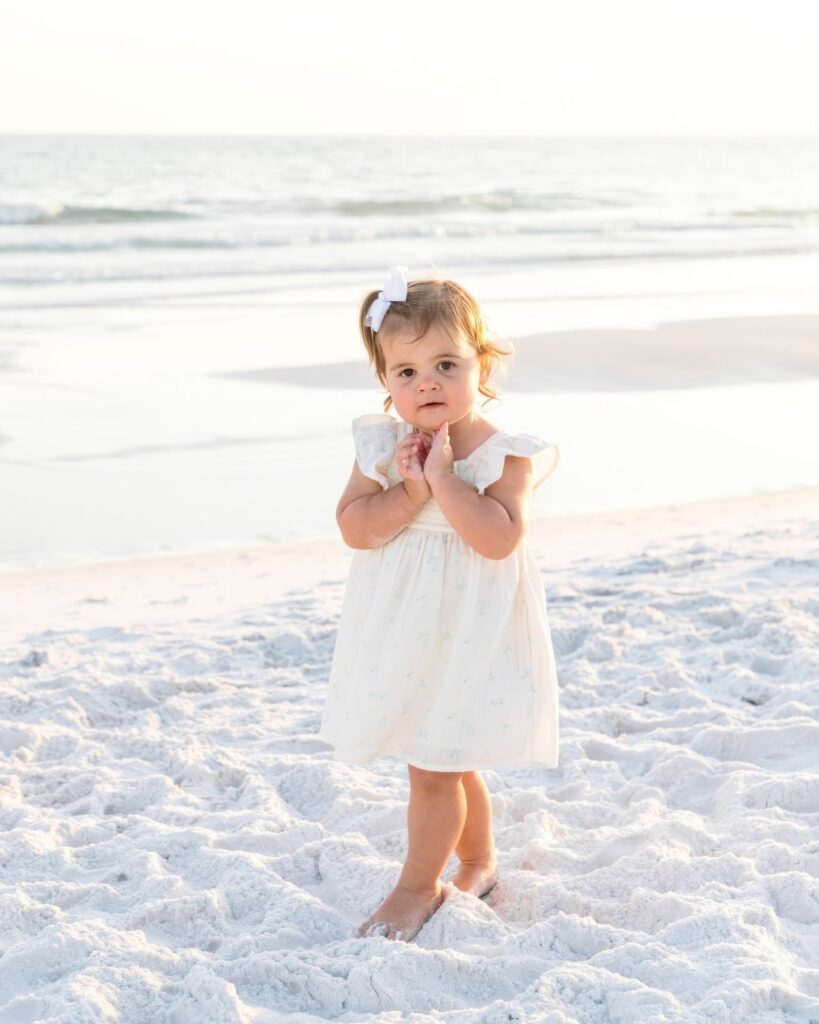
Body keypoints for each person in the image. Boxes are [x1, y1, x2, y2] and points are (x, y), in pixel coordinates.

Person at [319, 264, 561, 942]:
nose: (425, 382)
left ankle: (415, 886)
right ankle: (478, 860)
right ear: (385, 383)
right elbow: (354, 529)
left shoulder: (503, 455)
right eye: (405, 371)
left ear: (482, 364)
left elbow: (497, 540)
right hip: (404, 630)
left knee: (433, 767)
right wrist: (408, 492)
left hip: (471, 629)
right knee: (441, 752)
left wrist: (444, 479)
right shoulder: (379, 445)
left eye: (445, 363)